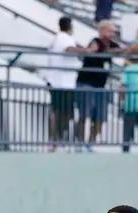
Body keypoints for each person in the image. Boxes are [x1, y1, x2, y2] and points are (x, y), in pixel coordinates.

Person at [74, 21, 124, 150]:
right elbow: (94, 49)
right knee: (84, 114)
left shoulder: (112, 45)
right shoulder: (95, 41)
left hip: (101, 86)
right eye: (110, 31)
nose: (112, 34)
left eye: (113, 31)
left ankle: (90, 143)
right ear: (102, 31)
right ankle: (79, 142)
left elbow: (121, 51)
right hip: (86, 83)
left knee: (100, 117)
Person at [43, 16, 82, 147]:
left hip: (64, 82)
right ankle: (55, 139)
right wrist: (87, 51)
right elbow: (68, 49)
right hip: (61, 82)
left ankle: (58, 138)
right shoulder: (63, 38)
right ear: (70, 26)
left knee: (65, 112)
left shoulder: (59, 38)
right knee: (59, 111)